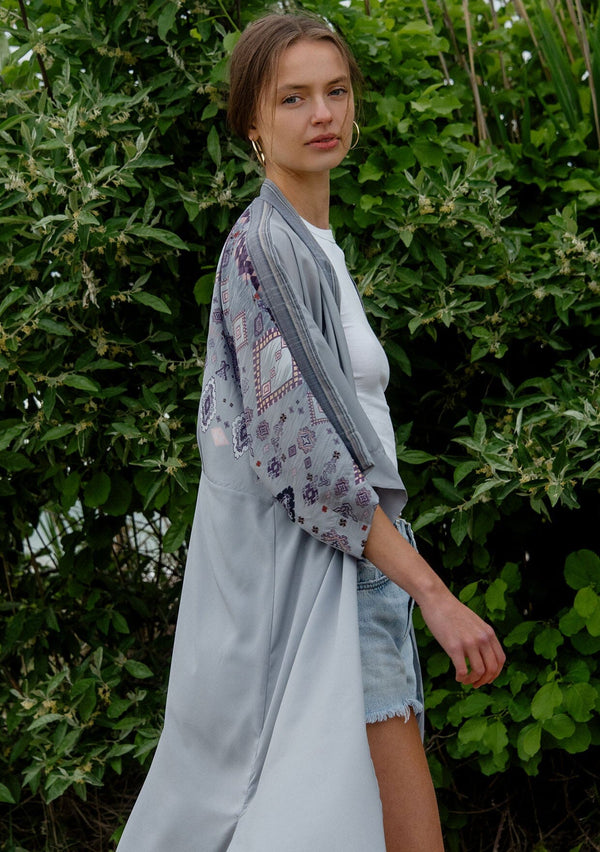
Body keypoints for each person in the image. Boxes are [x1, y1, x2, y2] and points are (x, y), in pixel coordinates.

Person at [117, 12, 505, 852]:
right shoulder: (264, 250)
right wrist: (435, 595)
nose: (322, 113)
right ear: (252, 122)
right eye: (293, 98)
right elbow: (308, 460)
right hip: (326, 581)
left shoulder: (313, 246)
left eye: (335, 92)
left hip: (362, 569)